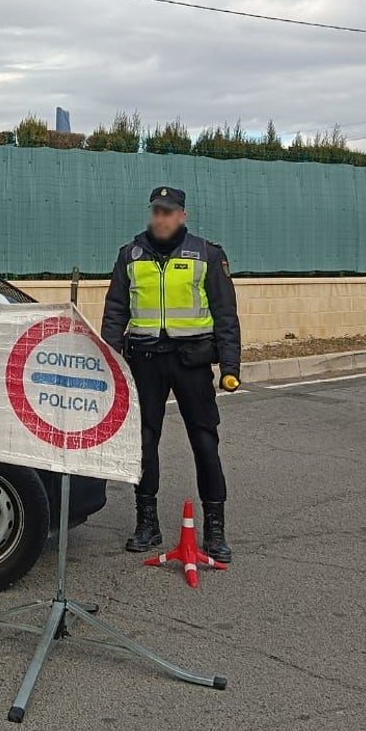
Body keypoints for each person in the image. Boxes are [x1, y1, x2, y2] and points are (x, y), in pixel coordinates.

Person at [101, 186, 241, 563]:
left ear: (183, 216)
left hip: (192, 361)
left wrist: (230, 366)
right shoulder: (129, 256)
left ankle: (214, 529)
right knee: (145, 442)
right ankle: (147, 523)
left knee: (204, 441)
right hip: (146, 361)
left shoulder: (206, 255)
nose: (161, 218)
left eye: (169, 212)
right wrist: (106, 357)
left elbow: (226, 313)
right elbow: (116, 311)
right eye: (156, 211)